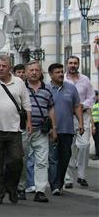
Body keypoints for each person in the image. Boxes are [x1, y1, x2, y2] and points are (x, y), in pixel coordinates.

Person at [0, 54, 31, 205]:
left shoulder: (19, 82)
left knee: (17, 160)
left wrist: (29, 121)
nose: (1, 68)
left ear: (10, 67)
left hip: (14, 129)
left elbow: (26, 103)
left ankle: (12, 187)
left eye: (4, 66)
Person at [17, 61, 56, 203]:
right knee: (21, 159)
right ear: (26, 72)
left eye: (37, 70)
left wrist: (53, 128)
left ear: (41, 72)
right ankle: (20, 188)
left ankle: (40, 191)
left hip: (41, 129)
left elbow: (51, 108)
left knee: (42, 161)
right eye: (31, 70)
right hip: (24, 129)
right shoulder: (20, 88)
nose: (34, 72)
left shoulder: (47, 89)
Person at [47, 63, 84, 196]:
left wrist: (80, 123)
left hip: (67, 129)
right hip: (51, 130)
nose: (61, 74)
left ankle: (59, 182)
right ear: (51, 74)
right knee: (53, 158)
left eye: (62, 72)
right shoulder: (46, 88)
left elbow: (77, 106)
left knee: (65, 157)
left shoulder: (71, 88)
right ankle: (54, 185)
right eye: (57, 72)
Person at [64, 56, 95, 188]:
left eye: (75, 63)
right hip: (68, 117)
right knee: (69, 147)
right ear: (67, 64)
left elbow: (92, 97)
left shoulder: (85, 79)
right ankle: (68, 178)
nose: (73, 65)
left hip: (83, 115)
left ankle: (81, 175)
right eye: (70, 63)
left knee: (84, 145)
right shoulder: (63, 79)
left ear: (78, 65)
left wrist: (83, 104)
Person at [92, 91, 99, 160]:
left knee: (97, 140)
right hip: (94, 124)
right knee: (96, 139)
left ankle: (97, 155)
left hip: (98, 124)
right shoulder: (92, 104)